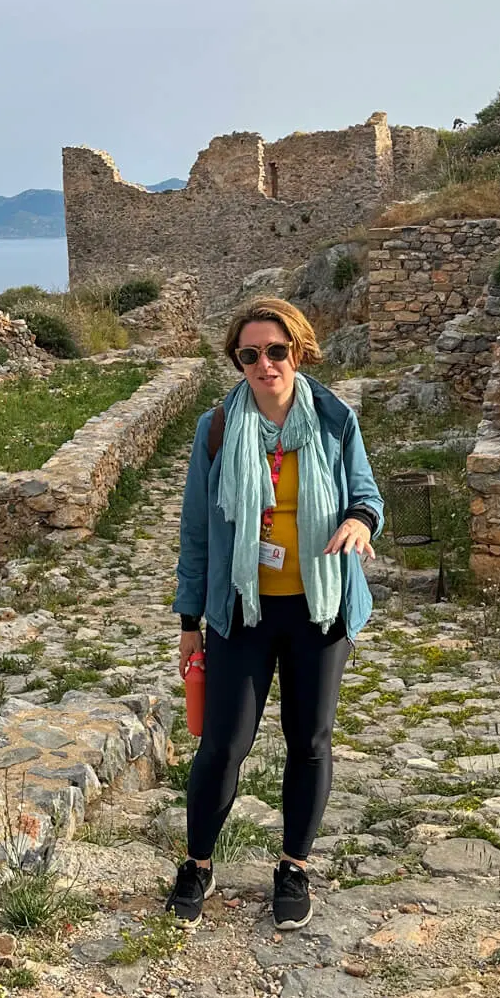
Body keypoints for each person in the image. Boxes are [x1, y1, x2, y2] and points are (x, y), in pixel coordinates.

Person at [168, 296, 383, 932]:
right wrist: (188, 624)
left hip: (319, 610)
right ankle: (198, 864)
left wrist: (356, 521)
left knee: (309, 740)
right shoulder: (216, 430)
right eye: (250, 355)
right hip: (243, 610)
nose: (266, 364)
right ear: (237, 362)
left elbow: (367, 494)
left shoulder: (336, 419)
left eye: (277, 350)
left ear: (299, 349)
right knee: (223, 745)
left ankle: (293, 867)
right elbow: (197, 535)